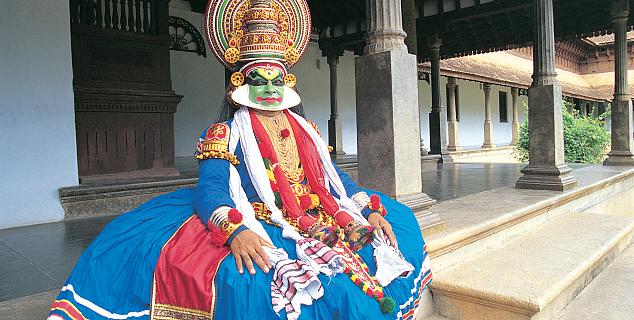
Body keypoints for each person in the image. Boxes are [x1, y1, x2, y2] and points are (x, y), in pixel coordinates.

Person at [48, 1, 432, 319]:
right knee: (253, 283)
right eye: (258, 80)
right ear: (241, 84)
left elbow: (334, 184)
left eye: (275, 80)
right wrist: (236, 232)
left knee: (396, 225)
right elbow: (212, 191)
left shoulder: (307, 130)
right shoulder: (224, 134)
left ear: (287, 83)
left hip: (319, 213)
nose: (268, 88)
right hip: (261, 218)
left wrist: (368, 210)